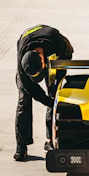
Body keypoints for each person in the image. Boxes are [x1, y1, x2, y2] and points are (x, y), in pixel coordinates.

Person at [14, 25, 73, 161]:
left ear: (42, 59)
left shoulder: (58, 43)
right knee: (24, 101)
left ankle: (50, 140)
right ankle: (21, 146)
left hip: (55, 57)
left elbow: (69, 53)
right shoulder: (23, 60)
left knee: (54, 95)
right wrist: (47, 101)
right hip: (27, 43)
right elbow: (30, 88)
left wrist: (58, 79)